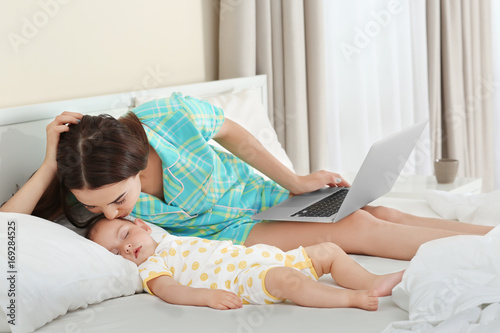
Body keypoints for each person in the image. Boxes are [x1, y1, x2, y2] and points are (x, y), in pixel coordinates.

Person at [0, 94, 493, 260]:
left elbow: (237, 137)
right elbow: (6, 229)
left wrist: (296, 181)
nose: (109, 214)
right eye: (99, 207)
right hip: (232, 231)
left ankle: (491, 237)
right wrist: (49, 164)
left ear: (136, 160)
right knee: (361, 230)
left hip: (263, 195)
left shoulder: (167, 117)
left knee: (377, 211)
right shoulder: (82, 186)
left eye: (118, 199)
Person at [87, 216, 404, 310]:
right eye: (116, 252)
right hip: (248, 278)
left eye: (125, 234)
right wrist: (207, 297)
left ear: (142, 225)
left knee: (330, 250)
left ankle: (370, 281)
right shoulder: (151, 268)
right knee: (288, 282)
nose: (126, 247)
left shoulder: (172, 239)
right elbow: (170, 291)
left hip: (267, 255)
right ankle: (351, 298)